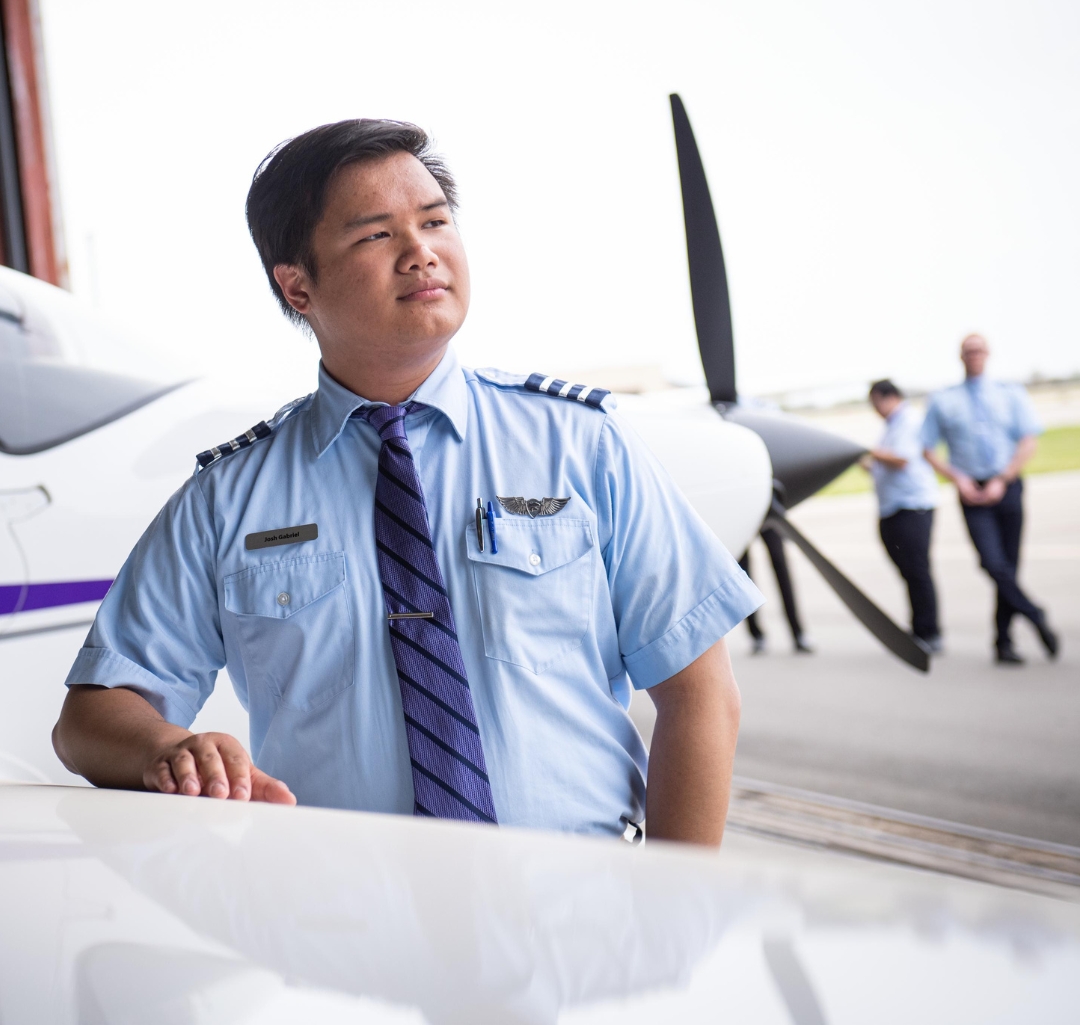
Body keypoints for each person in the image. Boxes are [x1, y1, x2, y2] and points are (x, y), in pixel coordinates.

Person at [52, 119, 763, 846]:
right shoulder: (226, 501)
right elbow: (90, 719)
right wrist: (164, 749)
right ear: (297, 285)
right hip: (340, 929)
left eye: (434, 220)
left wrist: (675, 915)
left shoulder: (583, 445)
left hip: (578, 924)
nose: (422, 252)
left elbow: (701, 696)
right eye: (375, 235)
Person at [921, 334, 1058, 665]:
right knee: (992, 563)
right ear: (960, 357)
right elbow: (927, 447)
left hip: (1005, 485)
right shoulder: (944, 400)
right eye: (969, 351)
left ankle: (1003, 641)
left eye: (979, 350)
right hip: (971, 488)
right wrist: (958, 478)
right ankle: (1034, 613)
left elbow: (1028, 440)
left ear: (988, 354)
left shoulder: (1009, 394)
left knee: (1009, 565)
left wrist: (1004, 477)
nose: (974, 356)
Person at [865, 379, 941, 654]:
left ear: (888, 398)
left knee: (917, 570)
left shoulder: (908, 421)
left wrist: (868, 451)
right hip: (894, 506)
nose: (875, 410)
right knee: (910, 570)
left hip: (912, 505)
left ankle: (930, 632)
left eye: (875, 403)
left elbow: (901, 459)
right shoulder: (891, 426)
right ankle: (920, 626)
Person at [738, 527, 813, 654]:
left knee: (779, 562)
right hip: (740, 518)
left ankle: (798, 632)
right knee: (744, 574)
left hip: (766, 514)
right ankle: (756, 635)